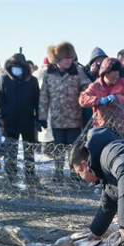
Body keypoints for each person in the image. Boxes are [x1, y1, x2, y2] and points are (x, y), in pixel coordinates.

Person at [39, 42, 91, 181]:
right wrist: (42, 117)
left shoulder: (77, 71)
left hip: (74, 118)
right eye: (65, 58)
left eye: (70, 57)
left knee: (74, 149)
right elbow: (44, 96)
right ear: (57, 59)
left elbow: (88, 87)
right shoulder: (49, 74)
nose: (68, 61)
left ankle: (75, 174)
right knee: (59, 148)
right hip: (57, 119)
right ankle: (58, 173)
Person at [0, 53, 39, 187]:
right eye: (13, 67)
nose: (16, 69)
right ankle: (11, 178)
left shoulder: (32, 81)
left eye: (19, 67)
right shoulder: (3, 79)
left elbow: (38, 102)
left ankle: (30, 178)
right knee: (11, 152)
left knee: (29, 152)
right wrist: (1, 121)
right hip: (10, 122)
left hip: (28, 121)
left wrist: (39, 119)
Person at [79, 58, 124, 140]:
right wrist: (98, 100)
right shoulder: (95, 86)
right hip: (102, 127)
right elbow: (82, 99)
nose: (116, 79)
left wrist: (116, 98)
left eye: (117, 77)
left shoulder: (123, 85)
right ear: (105, 74)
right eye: (113, 78)